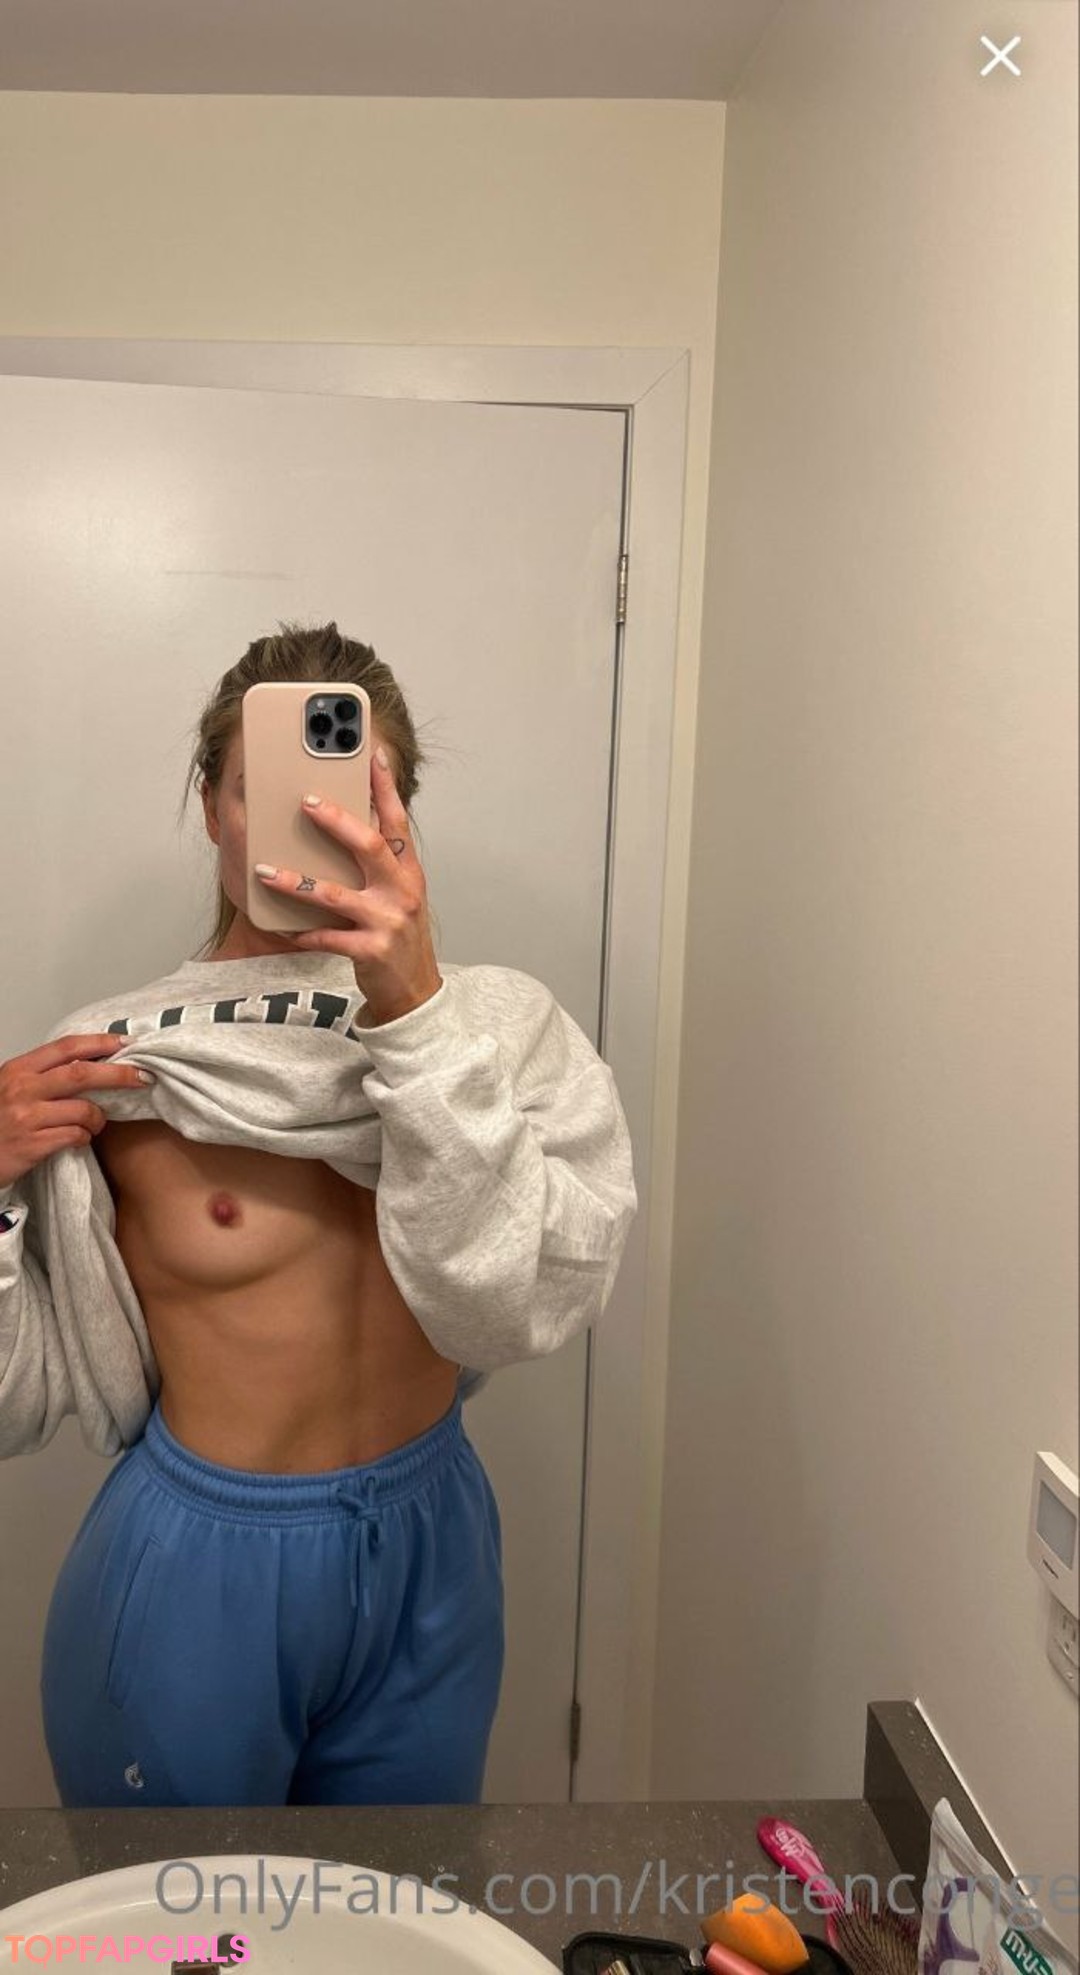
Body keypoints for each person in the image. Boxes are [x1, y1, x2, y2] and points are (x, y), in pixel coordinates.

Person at [0, 619, 638, 1808]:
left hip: (435, 1550)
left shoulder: (501, 1035)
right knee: (185, 1907)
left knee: (399, 1902)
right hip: (198, 1565)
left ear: (400, 816)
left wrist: (417, 1017)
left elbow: (509, 1311)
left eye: (352, 790)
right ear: (213, 808)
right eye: (263, 789)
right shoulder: (117, 1062)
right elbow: (14, 1399)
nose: (312, 823)